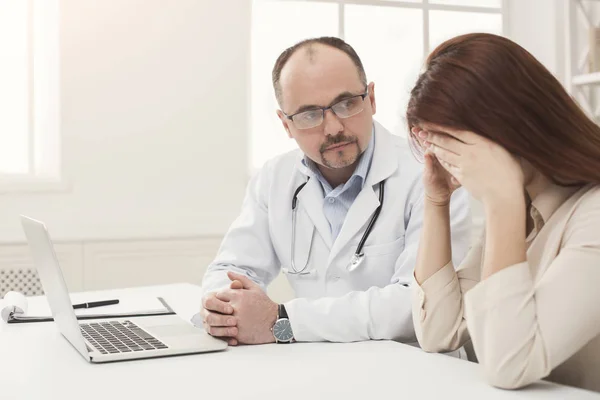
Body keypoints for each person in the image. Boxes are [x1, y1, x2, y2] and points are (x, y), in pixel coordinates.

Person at [196, 37, 471, 345]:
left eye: (346, 104)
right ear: (285, 124)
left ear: (371, 99)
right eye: (309, 114)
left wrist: (282, 321)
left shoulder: (433, 175)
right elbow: (231, 268)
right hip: (315, 367)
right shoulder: (274, 178)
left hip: (412, 371)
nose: (333, 128)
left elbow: (417, 305)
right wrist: (224, 309)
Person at [408, 33, 600, 392]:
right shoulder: (523, 207)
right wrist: (436, 202)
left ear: (507, 123)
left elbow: (508, 364)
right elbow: (438, 330)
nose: (447, 158)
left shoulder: (588, 212)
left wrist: (501, 201)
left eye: (451, 142)